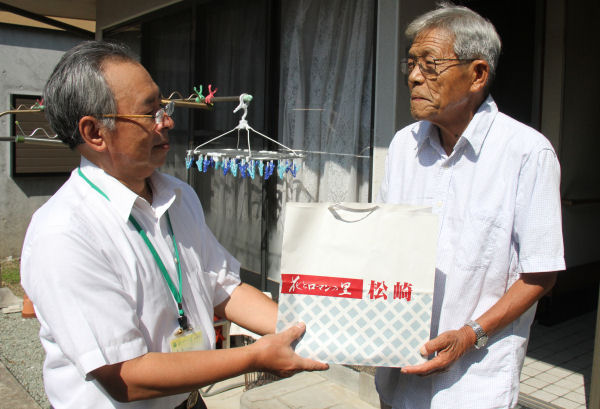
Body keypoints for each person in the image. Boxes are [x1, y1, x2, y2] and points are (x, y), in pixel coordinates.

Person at [20, 41, 328, 409]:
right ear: (94, 132)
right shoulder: (64, 233)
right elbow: (126, 377)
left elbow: (224, 287)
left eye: (163, 107)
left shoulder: (178, 196)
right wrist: (254, 357)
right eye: (149, 112)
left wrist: (316, 331)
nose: (167, 121)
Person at [375, 4, 564, 409]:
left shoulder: (527, 153)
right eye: (411, 63)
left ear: (477, 74)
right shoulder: (404, 146)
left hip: (474, 384)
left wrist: (469, 335)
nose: (413, 77)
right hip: (397, 377)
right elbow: (386, 246)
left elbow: (540, 274)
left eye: (430, 65)